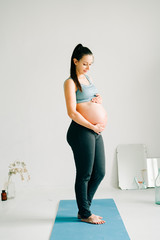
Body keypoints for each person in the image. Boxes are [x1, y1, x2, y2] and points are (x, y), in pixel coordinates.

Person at [64, 44, 107, 224]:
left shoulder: (88, 78)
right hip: (81, 131)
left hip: (94, 131)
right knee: (84, 174)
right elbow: (72, 112)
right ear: (75, 61)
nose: (88, 68)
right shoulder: (70, 82)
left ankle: (84, 209)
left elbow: (93, 97)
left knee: (100, 172)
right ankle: (86, 213)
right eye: (85, 64)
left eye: (90, 64)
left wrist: (99, 100)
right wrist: (92, 125)